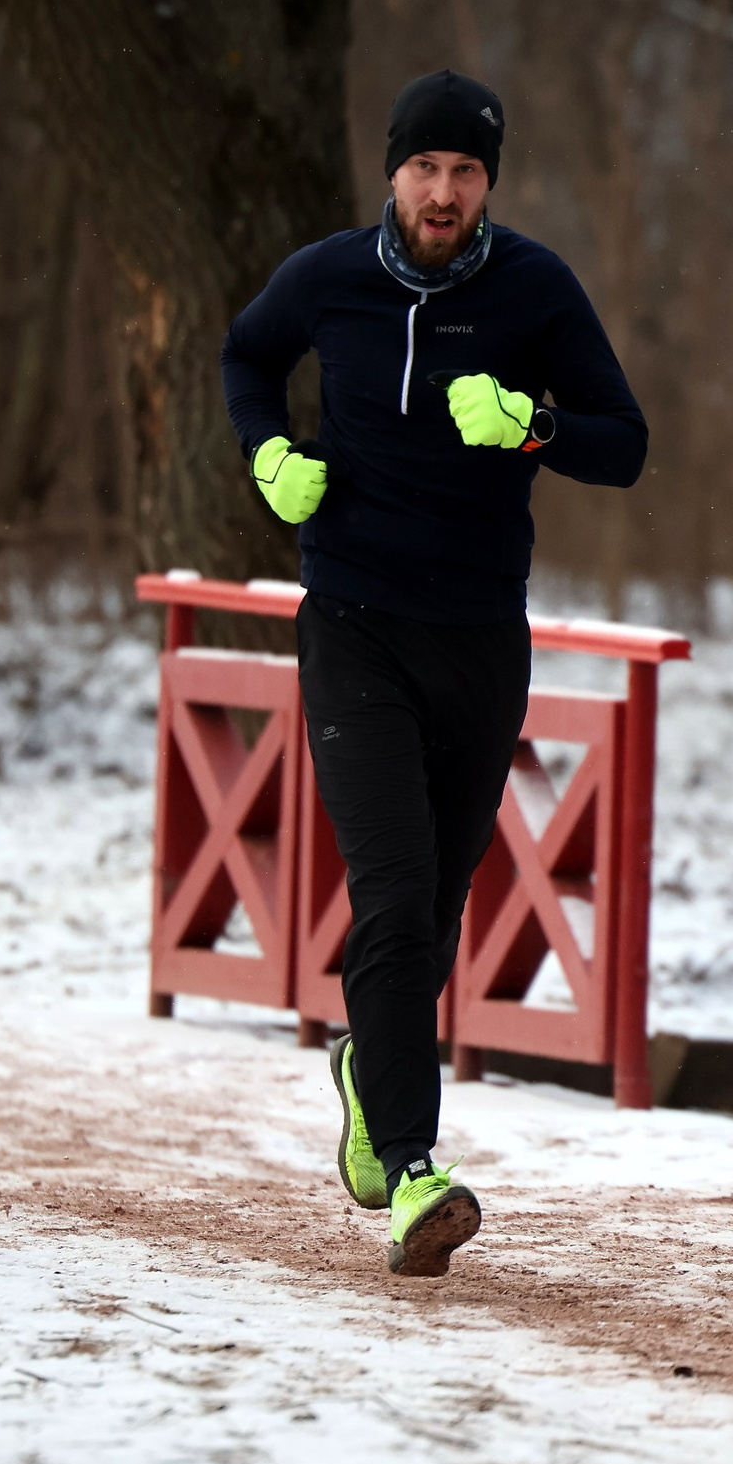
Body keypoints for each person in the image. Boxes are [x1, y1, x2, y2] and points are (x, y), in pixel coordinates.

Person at [219, 70, 647, 1276]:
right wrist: (268, 458)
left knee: (436, 902)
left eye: (465, 172)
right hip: (353, 622)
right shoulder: (329, 279)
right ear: (391, 173)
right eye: (424, 169)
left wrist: (532, 424)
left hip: (477, 636)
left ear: (488, 183)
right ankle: (415, 1169)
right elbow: (245, 355)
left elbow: (625, 443)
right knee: (397, 886)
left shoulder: (535, 289)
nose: (442, 192)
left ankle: (366, 1065)